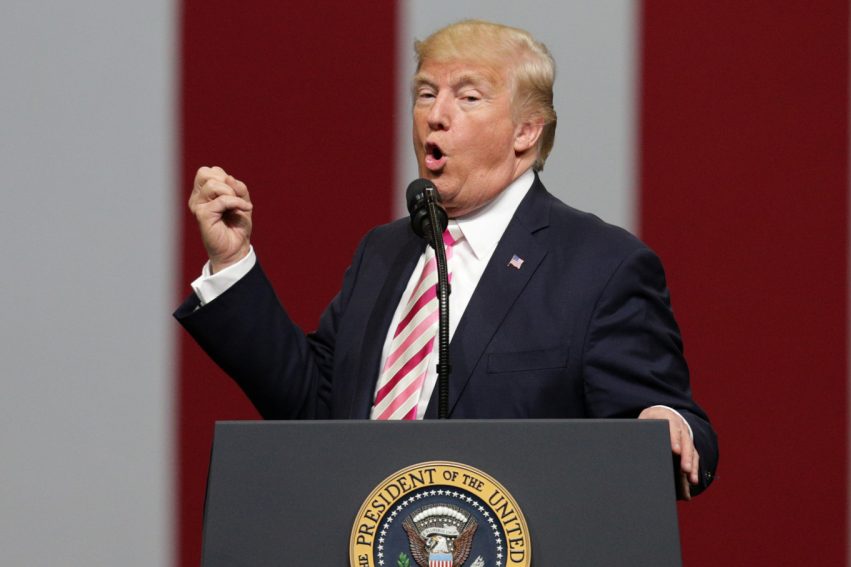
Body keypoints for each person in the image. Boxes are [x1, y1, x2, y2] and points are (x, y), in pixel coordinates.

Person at [175, 20, 718, 498]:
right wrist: (234, 263)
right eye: (426, 93)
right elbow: (317, 410)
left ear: (526, 131)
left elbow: (665, 419)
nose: (436, 115)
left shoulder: (600, 265)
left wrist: (664, 423)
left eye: (468, 97)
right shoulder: (383, 252)